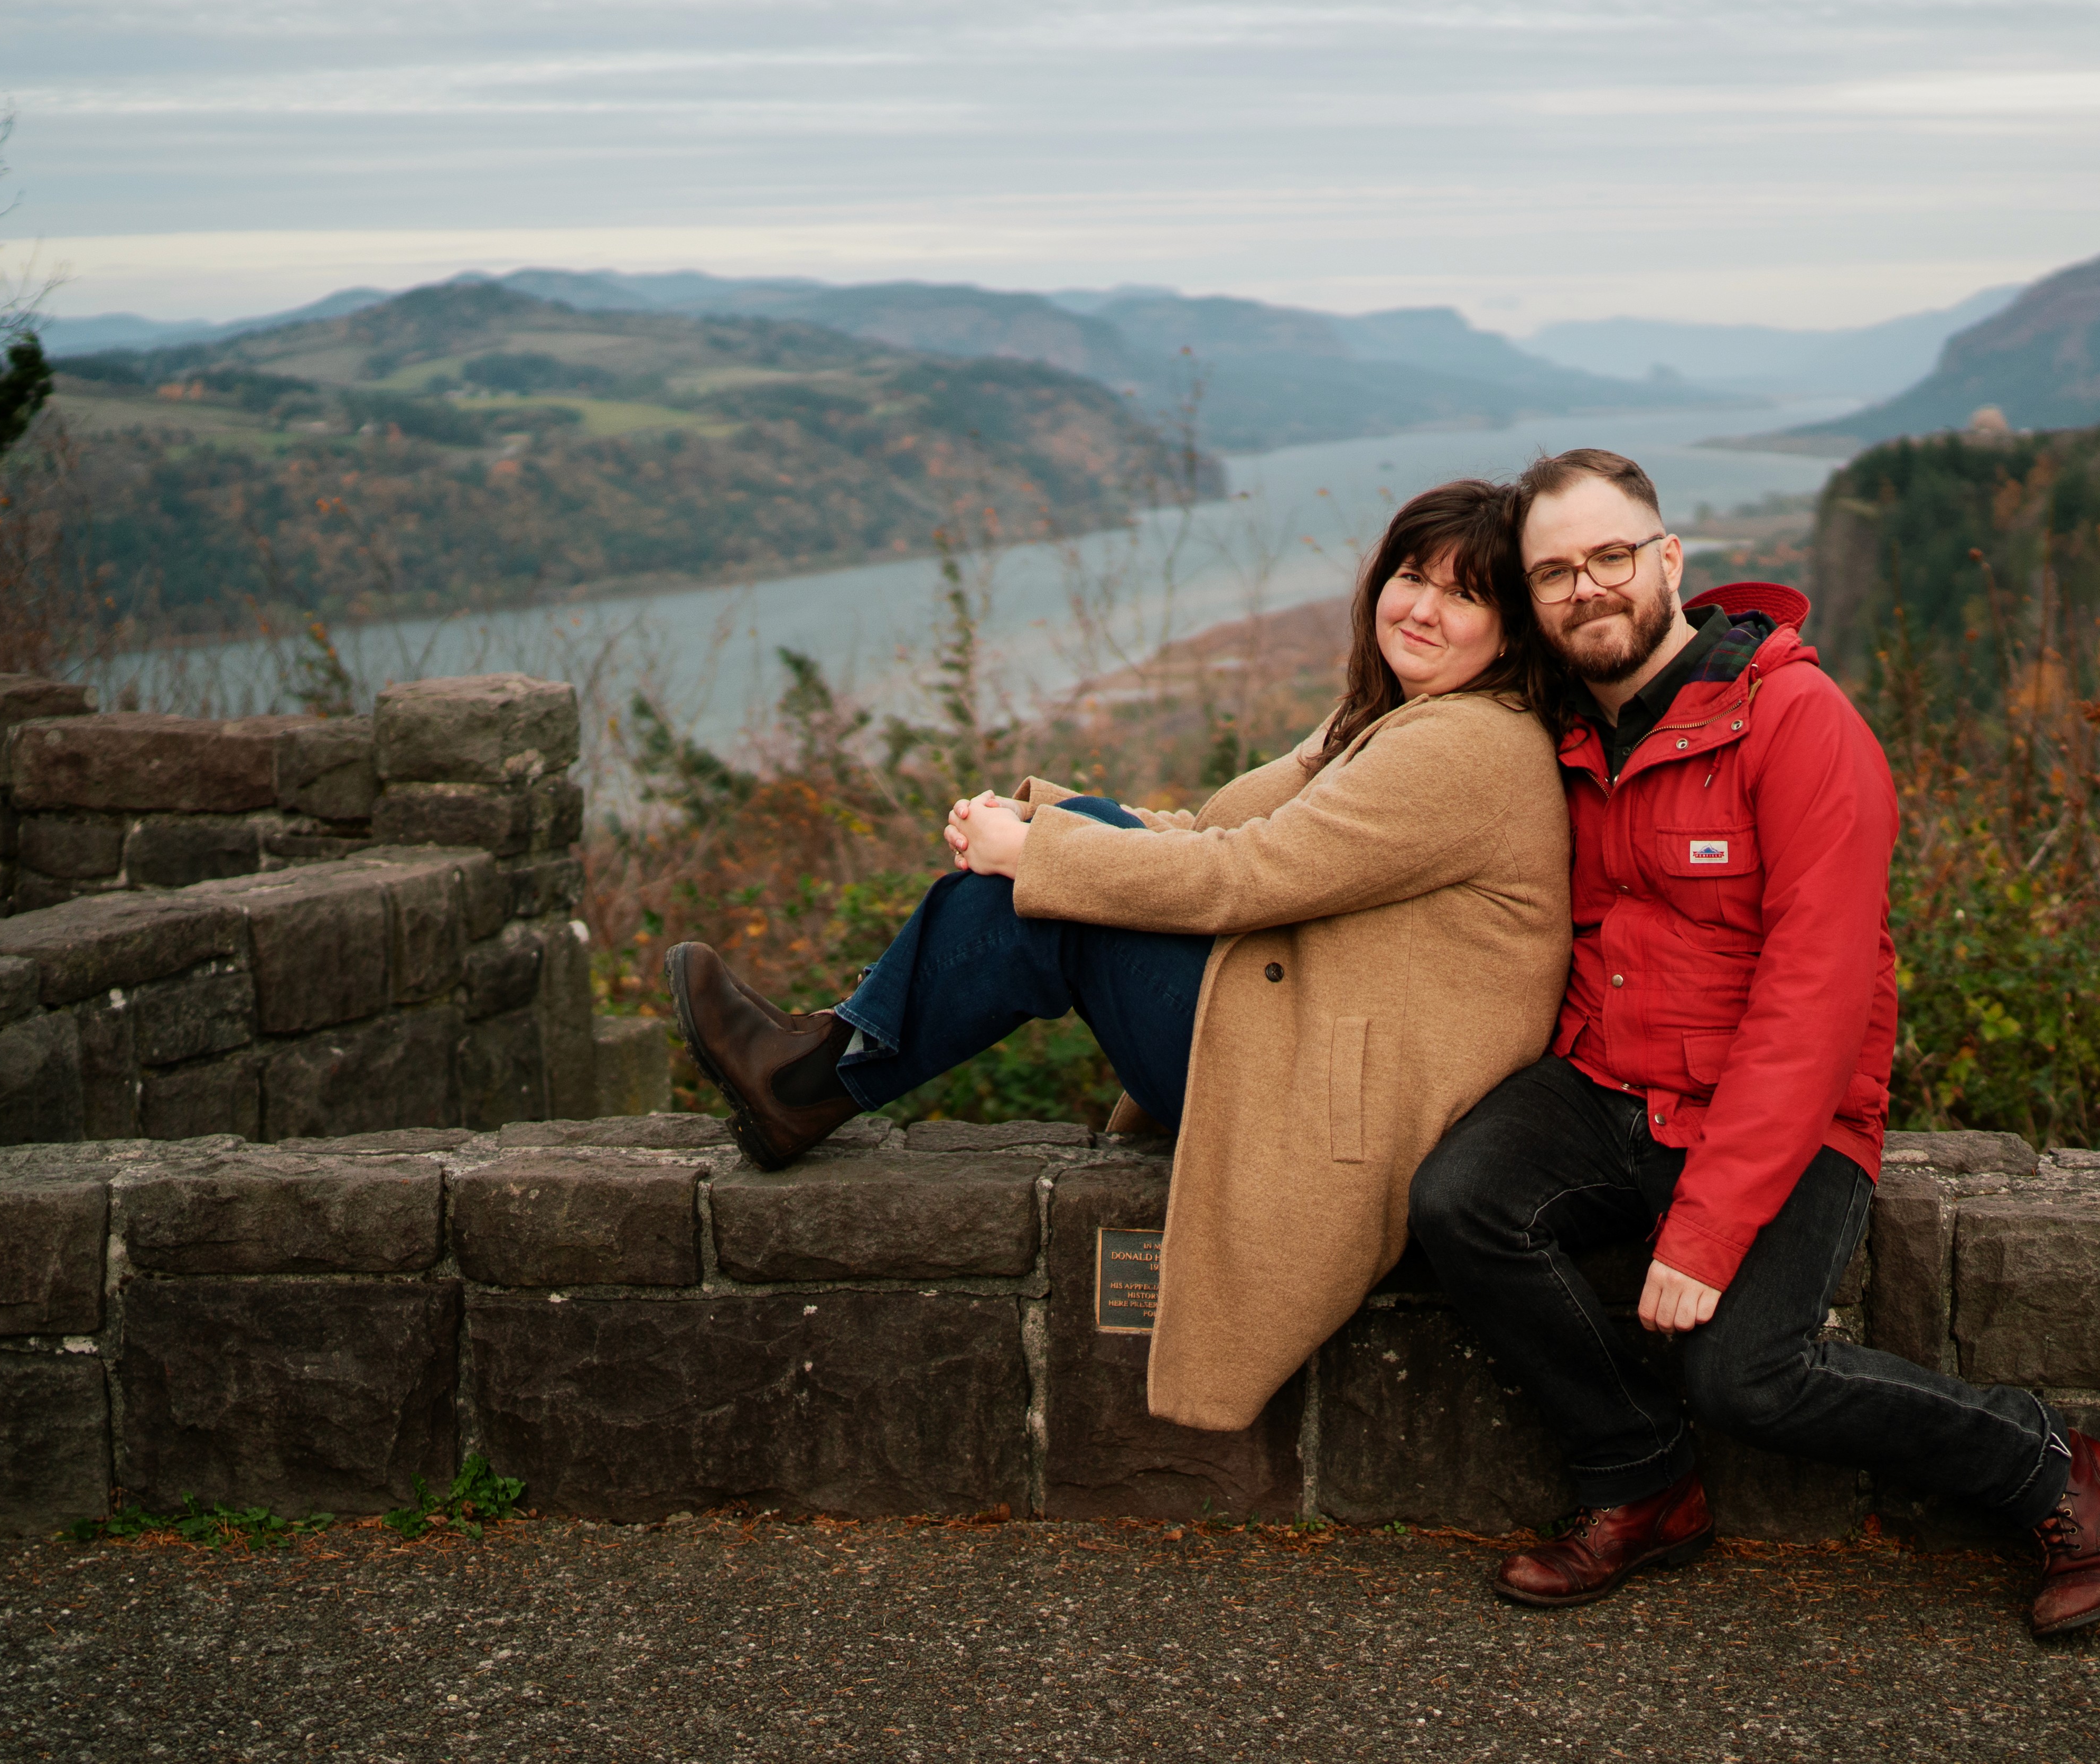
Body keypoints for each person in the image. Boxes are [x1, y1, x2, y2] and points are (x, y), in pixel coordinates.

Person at [1406, 448, 2100, 1639]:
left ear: (1669, 560)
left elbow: (1816, 998)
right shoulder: (1559, 730)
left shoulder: (1797, 720)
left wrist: (1703, 1228)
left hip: (1790, 1113)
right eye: (1555, 573)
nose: (1587, 587)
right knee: (1458, 1201)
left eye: (1609, 556)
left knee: (1745, 1375)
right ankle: (1641, 1481)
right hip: (1611, 1083)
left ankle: (2049, 1465)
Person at [668, 479, 1574, 1430]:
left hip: (1341, 1111)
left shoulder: (1469, 747)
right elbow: (1209, 831)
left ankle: (810, 1079)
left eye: (1465, 594)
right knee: (1054, 869)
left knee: (1044, 909)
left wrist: (1043, 857)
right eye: (1410, 575)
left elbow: (1243, 878)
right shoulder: (1383, 718)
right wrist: (1039, 823)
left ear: (1511, 630)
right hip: (1306, 1057)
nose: (1423, 608)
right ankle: (813, 1071)